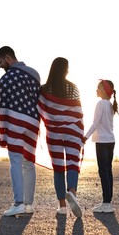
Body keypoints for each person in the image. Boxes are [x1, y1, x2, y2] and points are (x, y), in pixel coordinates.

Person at [0, 46, 41, 216]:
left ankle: (18, 202)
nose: (0, 66)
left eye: (0, 61)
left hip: (15, 122)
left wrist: (2, 130)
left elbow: (1, 104)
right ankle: (28, 204)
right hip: (33, 122)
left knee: (15, 161)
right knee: (29, 162)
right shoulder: (34, 73)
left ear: (8, 57)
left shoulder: (6, 79)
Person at [37, 57, 84, 218]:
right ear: (65, 69)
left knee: (58, 168)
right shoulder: (73, 88)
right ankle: (72, 192)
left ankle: (62, 206)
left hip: (54, 133)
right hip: (72, 131)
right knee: (72, 163)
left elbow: (40, 109)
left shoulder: (44, 89)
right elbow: (78, 111)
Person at [83, 79, 119, 213]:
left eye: (98, 87)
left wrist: (85, 136)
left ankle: (106, 203)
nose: (96, 90)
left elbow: (95, 123)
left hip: (102, 142)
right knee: (108, 171)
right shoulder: (109, 105)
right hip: (111, 141)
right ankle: (108, 201)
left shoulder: (100, 104)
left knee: (103, 171)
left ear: (104, 90)